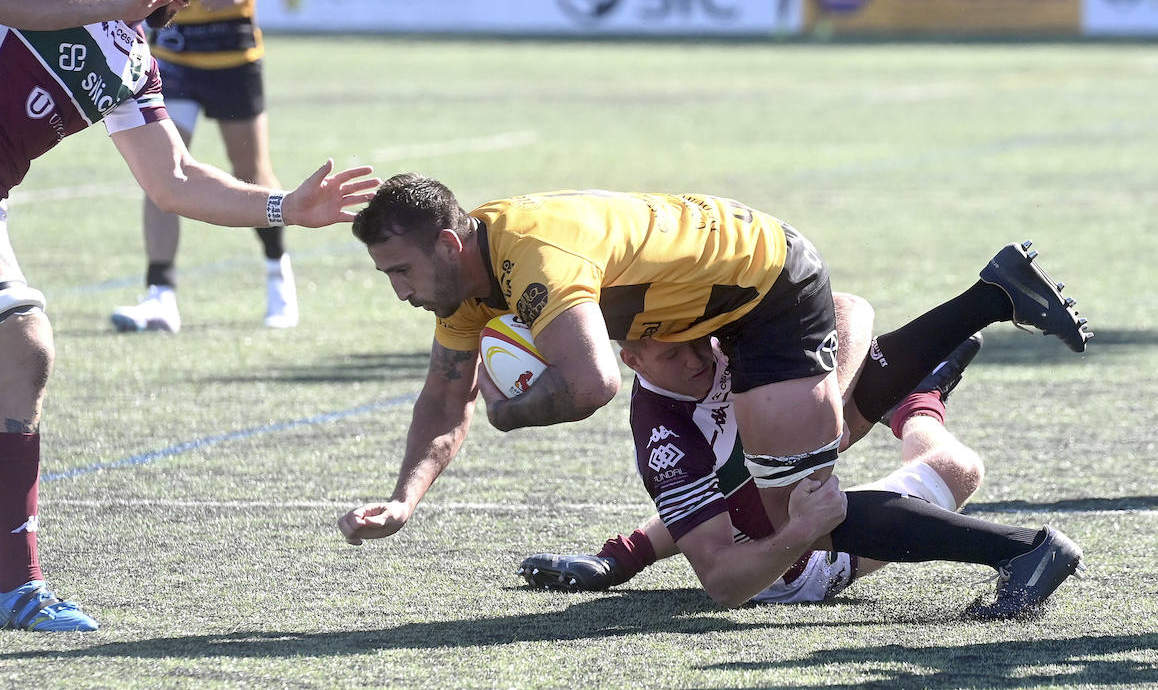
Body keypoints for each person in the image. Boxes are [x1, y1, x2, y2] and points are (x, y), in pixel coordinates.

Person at [0, 0, 376, 632]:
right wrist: (115, 1)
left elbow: (174, 181)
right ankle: (19, 590)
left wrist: (280, 207)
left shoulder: (135, 60)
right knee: (23, 345)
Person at [337, 176, 1091, 619]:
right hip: (734, 302)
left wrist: (511, 411)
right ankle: (990, 296)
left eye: (399, 271)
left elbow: (594, 382)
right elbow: (442, 397)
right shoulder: (468, 289)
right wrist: (406, 499)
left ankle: (1027, 551)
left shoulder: (533, 256)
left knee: (796, 502)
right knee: (803, 456)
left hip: (768, 290)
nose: (400, 291)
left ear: (445, 244)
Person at [520, 293, 1000, 609]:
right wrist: (620, 560)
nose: (694, 362)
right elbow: (722, 573)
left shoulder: (723, 337)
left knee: (803, 420)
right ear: (633, 360)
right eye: (671, 355)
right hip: (794, 566)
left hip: (781, 483)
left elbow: (849, 308)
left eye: (696, 343)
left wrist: (821, 413)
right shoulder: (662, 432)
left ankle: (916, 389)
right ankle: (920, 399)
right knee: (959, 467)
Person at [111, 0, 301, 334]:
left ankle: (276, 274)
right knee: (163, 173)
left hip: (235, 56)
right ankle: (160, 295)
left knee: (251, 174)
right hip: (172, 59)